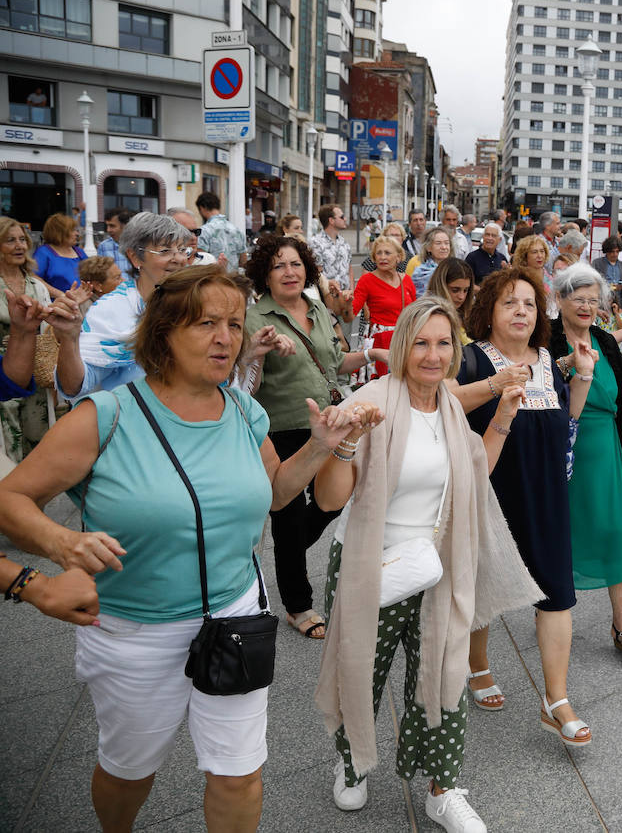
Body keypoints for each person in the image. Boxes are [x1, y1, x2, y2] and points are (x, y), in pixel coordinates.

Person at [0, 265, 363, 833]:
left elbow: (274, 493)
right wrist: (61, 542)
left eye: (236, 325)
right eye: (206, 324)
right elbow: (11, 499)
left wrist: (320, 448)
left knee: (239, 773)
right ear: (164, 332)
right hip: (133, 631)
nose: (226, 338)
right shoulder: (106, 414)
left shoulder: (245, 411)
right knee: (129, 771)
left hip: (235, 618)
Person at [312, 297, 541, 830]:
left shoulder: (451, 407)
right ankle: (353, 764)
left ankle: (443, 787)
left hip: (437, 563)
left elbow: (473, 475)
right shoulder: (372, 400)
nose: (433, 356)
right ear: (402, 346)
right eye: (422, 342)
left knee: (445, 671)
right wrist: (344, 445)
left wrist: (503, 418)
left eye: (444, 343)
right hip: (372, 563)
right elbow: (327, 501)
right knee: (360, 672)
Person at [454, 267, 597, 746]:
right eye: (509, 302)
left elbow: (566, 423)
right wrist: (496, 387)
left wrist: (583, 377)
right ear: (488, 311)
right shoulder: (473, 360)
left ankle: (555, 699)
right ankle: (477, 665)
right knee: (482, 587)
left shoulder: (548, 361)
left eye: (530, 304)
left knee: (557, 594)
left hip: (548, 495)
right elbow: (442, 401)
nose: (521, 311)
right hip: (490, 494)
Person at [242, 235, 386, 639]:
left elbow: (335, 362)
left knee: (332, 502)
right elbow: (244, 385)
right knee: (287, 517)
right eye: (278, 266)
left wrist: (372, 355)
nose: (289, 272)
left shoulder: (318, 307)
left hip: (329, 422)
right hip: (280, 427)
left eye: (295, 264)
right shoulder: (255, 319)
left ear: (306, 268)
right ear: (264, 276)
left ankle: (288, 556)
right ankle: (298, 604)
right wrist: (254, 353)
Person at [550, 264, 622, 661]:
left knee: (614, 531)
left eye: (593, 300)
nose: (586, 306)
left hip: (606, 449)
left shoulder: (603, 340)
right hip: (561, 449)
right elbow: (540, 387)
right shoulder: (545, 340)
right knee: (561, 534)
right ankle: (551, 609)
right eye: (577, 298)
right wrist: (570, 366)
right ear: (559, 299)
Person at [55, 212, 195, 401]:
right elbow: (74, 386)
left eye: (181, 250)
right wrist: (69, 339)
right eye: (165, 251)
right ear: (135, 257)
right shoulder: (112, 310)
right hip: (133, 421)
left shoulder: (195, 303)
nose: (178, 258)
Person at [0, 217, 55, 463]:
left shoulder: (37, 285)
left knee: (38, 442)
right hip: (3, 373)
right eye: (10, 240)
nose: (19, 245)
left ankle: (32, 498)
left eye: (22, 239)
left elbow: (47, 329)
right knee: (8, 445)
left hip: (36, 370)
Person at [352, 236, 416, 379]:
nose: (382, 257)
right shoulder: (367, 280)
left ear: (399, 257)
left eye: (387, 253)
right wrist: (341, 300)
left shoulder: (406, 280)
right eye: (378, 253)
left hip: (404, 340)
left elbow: (414, 314)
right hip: (379, 344)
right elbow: (351, 313)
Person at [34, 213, 87, 295]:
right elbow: (34, 279)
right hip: (57, 304)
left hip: (82, 301)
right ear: (60, 232)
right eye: (73, 230)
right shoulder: (44, 252)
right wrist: (61, 295)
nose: (77, 234)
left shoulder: (79, 252)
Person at [196, 192, 248, 273]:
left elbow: (200, 261)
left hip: (213, 279)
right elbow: (243, 261)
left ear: (202, 208)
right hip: (233, 280)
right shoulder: (237, 230)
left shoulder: (204, 231)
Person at [426, 257, 475, 343]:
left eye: (465, 290)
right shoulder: (429, 316)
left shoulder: (467, 313)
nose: (461, 297)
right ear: (441, 286)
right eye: (455, 290)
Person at [309, 204, 354, 289]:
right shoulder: (316, 243)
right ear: (331, 220)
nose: (345, 219)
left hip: (346, 296)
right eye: (342, 217)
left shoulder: (344, 242)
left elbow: (349, 268)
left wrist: (352, 290)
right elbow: (317, 273)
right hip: (328, 296)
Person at [406, 227, 452, 296]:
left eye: (446, 243)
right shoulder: (421, 273)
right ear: (428, 247)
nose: (444, 247)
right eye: (438, 243)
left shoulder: (455, 268)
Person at [591, 237, 622, 312]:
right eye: (612, 252)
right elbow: (592, 282)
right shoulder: (597, 263)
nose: (615, 254)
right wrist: (611, 287)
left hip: (618, 305)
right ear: (606, 251)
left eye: (617, 251)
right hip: (602, 303)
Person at [97, 207, 134, 282]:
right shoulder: (103, 246)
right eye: (107, 226)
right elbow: (101, 275)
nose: (108, 230)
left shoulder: (138, 245)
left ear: (125, 226)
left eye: (112, 226)